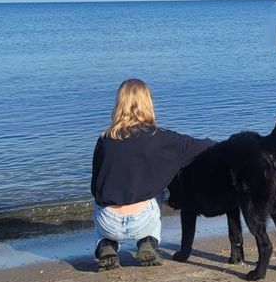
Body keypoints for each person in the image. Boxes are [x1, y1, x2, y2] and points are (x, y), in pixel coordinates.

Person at [90, 78, 215, 268]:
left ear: (118, 104)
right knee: (158, 191)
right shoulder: (159, 137)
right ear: (148, 103)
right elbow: (203, 145)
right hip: (143, 220)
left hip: (108, 222)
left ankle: (106, 244)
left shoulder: (104, 140)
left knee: (99, 201)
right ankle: (149, 241)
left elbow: (96, 187)